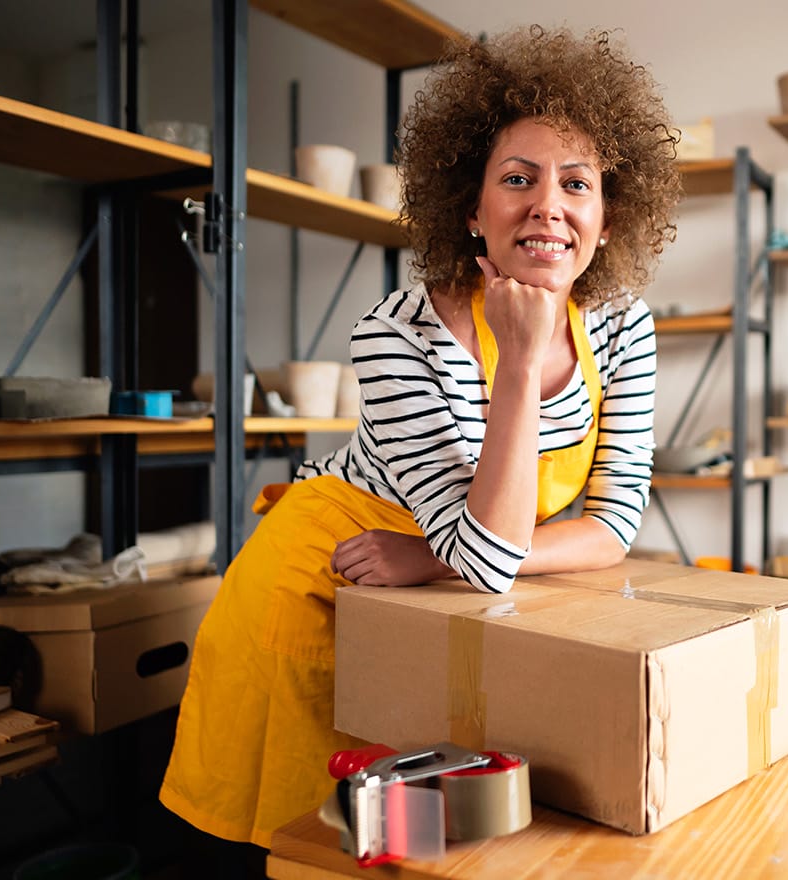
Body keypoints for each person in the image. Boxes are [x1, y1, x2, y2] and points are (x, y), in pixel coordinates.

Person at [159, 25, 681, 852]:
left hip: (431, 575)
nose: (548, 203)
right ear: (471, 209)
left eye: (576, 183)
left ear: (609, 219)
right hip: (324, 579)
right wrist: (514, 364)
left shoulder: (623, 329)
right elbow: (491, 560)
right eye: (518, 178)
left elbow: (611, 528)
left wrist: (437, 558)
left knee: (431, 835)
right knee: (315, 838)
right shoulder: (393, 335)